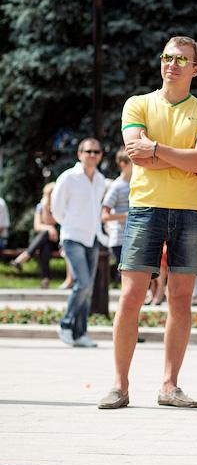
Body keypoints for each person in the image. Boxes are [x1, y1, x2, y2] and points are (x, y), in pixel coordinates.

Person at [98, 36, 197, 410]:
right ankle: (119, 386)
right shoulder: (138, 104)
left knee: (180, 299)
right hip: (146, 208)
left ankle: (170, 386)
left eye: (181, 59)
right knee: (130, 297)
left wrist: (156, 150)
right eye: (167, 57)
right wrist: (181, 158)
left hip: (191, 212)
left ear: (195, 68)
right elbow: (137, 155)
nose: (172, 64)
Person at [52, 138, 106, 347]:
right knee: (82, 283)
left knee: (88, 288)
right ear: (79, 154)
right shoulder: (68, 177)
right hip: (73, 237)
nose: (92, 155)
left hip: (93, 238)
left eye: (96, 151)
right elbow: (56, 209)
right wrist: (71, 225)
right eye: (88, 151)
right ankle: (65, 325)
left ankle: (80, 334)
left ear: (100, 155)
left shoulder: (100, 179)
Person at [10, 183, 58, 288]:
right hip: (44, 241)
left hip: (56, 241)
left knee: (45, 235)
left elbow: (51, 222)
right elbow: (37, 226)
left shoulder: (57, 207)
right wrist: (49, 227)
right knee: (45, 246)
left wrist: (46, 210)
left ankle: (24, 257)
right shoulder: (40, 207)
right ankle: (45, 280)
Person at [101, 148, 132, 287]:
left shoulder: (138, 183)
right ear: (123, 164)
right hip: (120, 239)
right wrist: (125, 215)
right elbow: (104, 216)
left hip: (134, 237)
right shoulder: (116, 186)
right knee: (127, 278)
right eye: (133, 162)